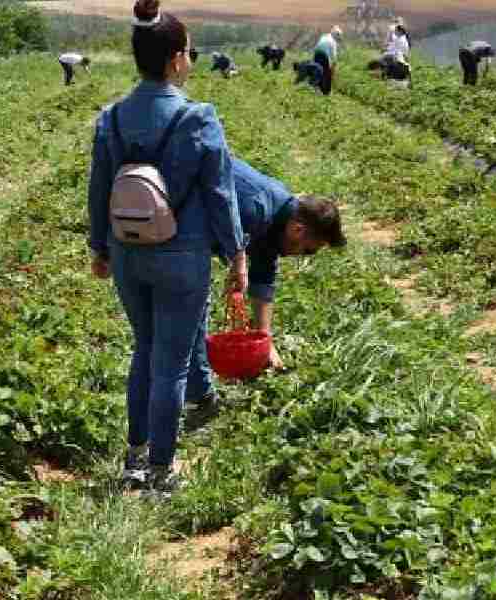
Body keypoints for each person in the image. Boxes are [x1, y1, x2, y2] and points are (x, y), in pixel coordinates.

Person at [87, 0, 247, 497]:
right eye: (190, 53)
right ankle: (160, 470)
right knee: (173, 363)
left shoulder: (112, 118)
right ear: (177, 59)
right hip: (183, 254)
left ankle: (133, 460)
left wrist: (100, 246)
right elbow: (220, 194)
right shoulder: (198, 118)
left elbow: (98, 188)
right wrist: (236, 254)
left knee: (145, 350)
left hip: (128, 251)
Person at [185, 157, 346, 420]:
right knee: (190, 306)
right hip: (168, 218)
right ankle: (195, 397)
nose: (303, 256)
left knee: (192, 307)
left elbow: (264, 275)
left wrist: (264, 341)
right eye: (309, 250)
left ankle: (192, 387)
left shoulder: (281, 213)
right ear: (298, 229)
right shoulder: (256, 209)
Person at [313, 26, 342, 95]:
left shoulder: (324, 36)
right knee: (327, 73)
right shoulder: (333, 42)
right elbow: (334, 58)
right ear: (336, 35)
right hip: (323, 56)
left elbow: (317, 47)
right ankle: (327, 92)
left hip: (316, 54)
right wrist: (333, 69)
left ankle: (317, 90)